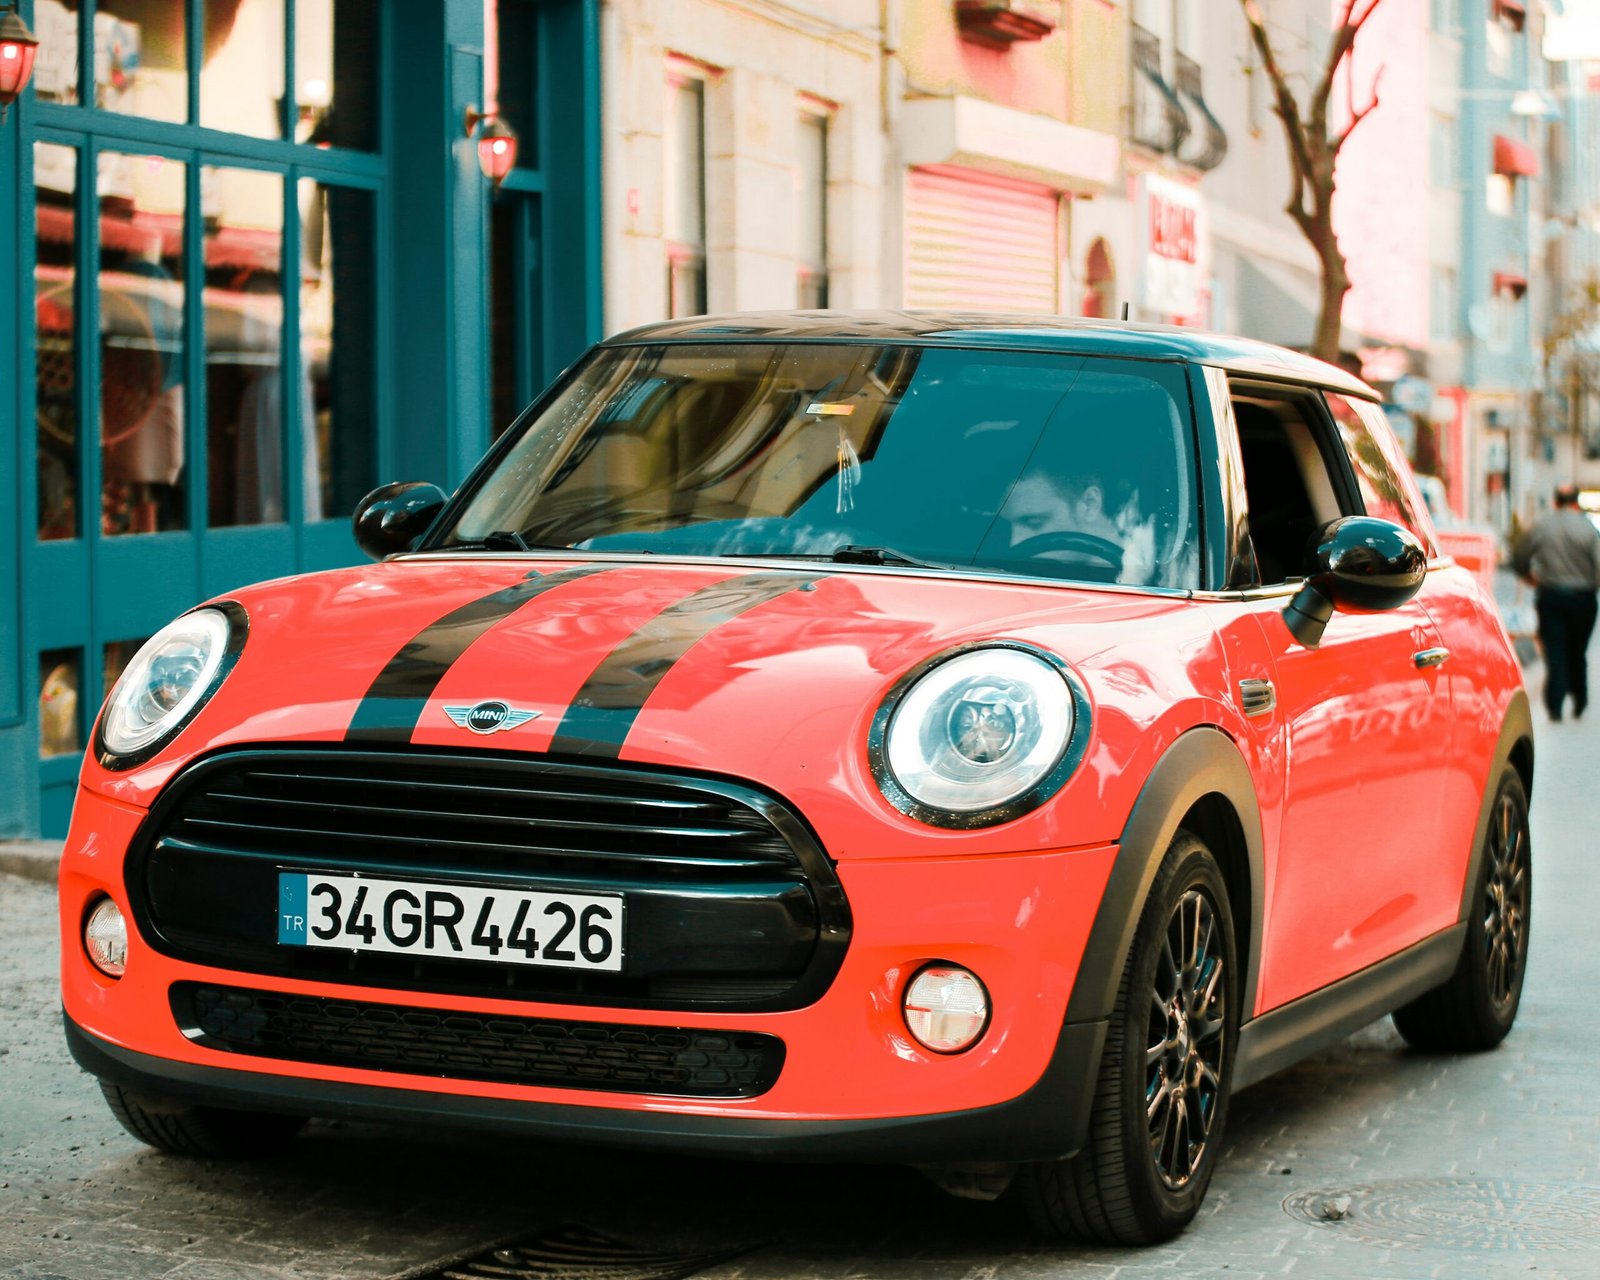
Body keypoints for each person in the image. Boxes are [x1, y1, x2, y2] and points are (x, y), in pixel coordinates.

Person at [1513, 483, 1600, 722]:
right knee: (1577, 649)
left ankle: (1555, 704)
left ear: (1555, 501)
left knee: (1555, 651)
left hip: (1551, 597)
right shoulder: (1588, 529)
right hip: (1583, 599)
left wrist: (1530, 577)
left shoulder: (1543, 526)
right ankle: (1580, 698)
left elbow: (1520, 556)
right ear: (1576, 502)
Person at [997, 471, 1158, 585]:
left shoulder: (1158, 568)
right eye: (1008, 527)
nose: (1014, 542)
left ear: (1089, 504)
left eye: (1034, 522)